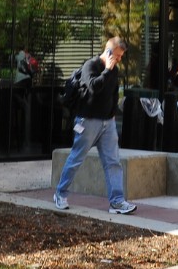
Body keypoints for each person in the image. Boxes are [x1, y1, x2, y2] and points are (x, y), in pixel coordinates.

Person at [53, 37, 137, 215]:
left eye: (121, 56)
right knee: (76, 158)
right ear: (108, 52)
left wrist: (113, 114)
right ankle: (60, 194)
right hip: (88, 121)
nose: (119, 59)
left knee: (113, 162)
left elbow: (114, 93)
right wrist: (106, 69)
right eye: (117, 55)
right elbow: (93, 87)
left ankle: (117, 202)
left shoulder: (115, 70)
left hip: (108, 123)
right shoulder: (90, 66)